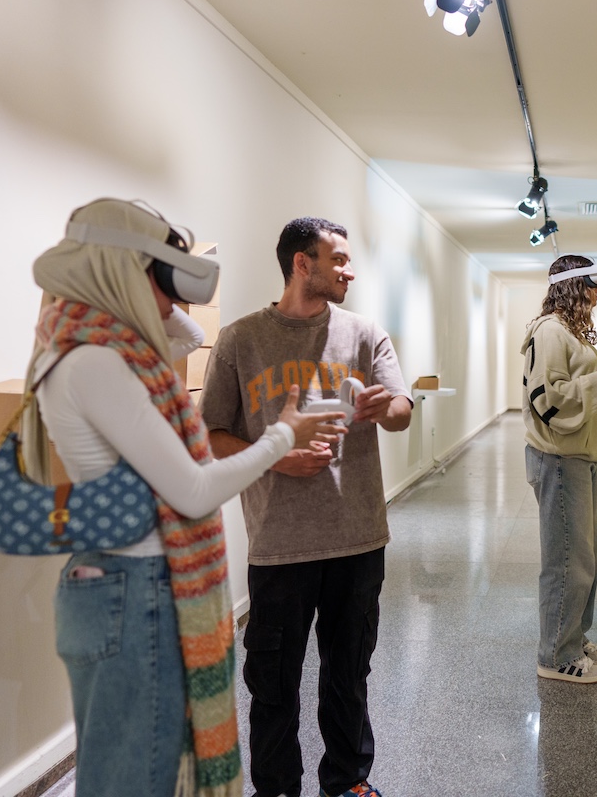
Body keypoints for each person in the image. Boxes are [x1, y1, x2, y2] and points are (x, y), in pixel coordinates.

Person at [27, 198, 345, 797]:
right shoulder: (94, 361)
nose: (175, 302)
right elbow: (195, 490)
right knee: (135, 775)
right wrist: (282, 436)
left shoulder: (95, 345)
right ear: (120, 273)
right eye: (162, 279)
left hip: (130, 583)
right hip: (133, 587)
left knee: (148, 765)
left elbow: (187, 333)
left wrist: (155, 289)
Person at [199, 217, 412, 797]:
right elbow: (212, 432)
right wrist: (275, 458)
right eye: (337, 259)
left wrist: (383, 407)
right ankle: (276, 790)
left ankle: (347, 782)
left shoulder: (365, 334)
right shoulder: (242, 340)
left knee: (349, 675)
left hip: (357, 539)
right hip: (278, 544)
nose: (348, 270)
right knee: (273, 684)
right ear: (301, 263)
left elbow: (402, 411)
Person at [521, 255, 597, 684]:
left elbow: (581, 406)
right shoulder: (550, 331)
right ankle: (556, 655)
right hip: (558, 459)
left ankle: (570, 635)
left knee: (586, 555)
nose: (596, 295)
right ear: (570, 286)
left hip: (578, 455)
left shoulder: (568, 332)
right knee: (567, 560)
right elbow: (547, 402)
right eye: (591, 287)